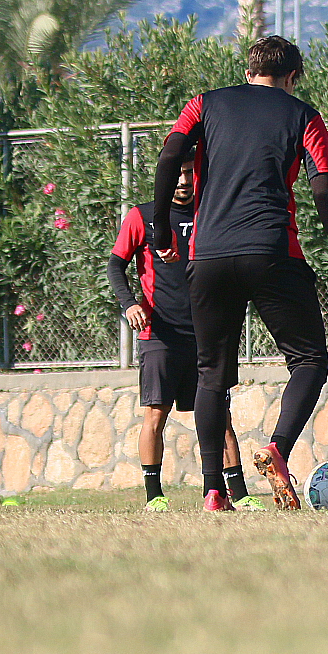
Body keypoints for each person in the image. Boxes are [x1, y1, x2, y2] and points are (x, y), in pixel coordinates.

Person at [152, 36, 328, 511]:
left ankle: (212, 492)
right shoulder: (303, 115)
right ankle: (277, 447)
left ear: (248, 71)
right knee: (309, 361)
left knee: (211, 376)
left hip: (207, 257)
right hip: (272, 252)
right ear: (293, 77)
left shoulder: (203, 105)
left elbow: (169, 156)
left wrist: (160, 232)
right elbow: (324, 192)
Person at [109, 159, 260, 512]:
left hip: (206, 335)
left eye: (189, 172)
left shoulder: (212, 212)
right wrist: (130, 304)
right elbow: (116, 264)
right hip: (159, 334)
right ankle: (154, 496)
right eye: (176, 173)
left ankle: (237, 494)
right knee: (155, 417)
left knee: (220, 418)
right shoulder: (141, 217)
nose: (182, 180)